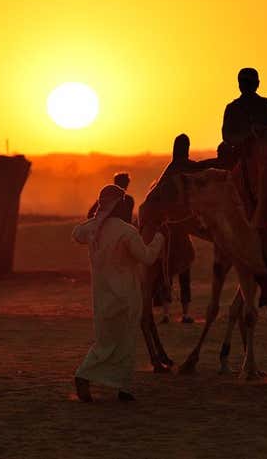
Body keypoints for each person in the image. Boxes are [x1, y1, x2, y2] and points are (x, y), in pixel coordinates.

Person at [72, 184, 165, 402]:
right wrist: (160, 237)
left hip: (101, 296)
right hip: (126, 296)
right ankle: (86, 375)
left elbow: (76, 233)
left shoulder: (93, 229)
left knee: (105, 341)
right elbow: (148, 257)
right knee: (124, 344)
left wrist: (95, 220)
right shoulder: (127, 232)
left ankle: (120, 387)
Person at [157, 134, 200, 324]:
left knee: (167, 272)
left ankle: (167, 313)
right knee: (182, 273)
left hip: (169, 229)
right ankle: (184, 313)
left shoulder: (170, 169)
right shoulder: (184, 167)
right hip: (179, 227)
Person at [221, 67, 267, 153]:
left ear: (257, 84)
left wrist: (262, 133)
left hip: (266, 153)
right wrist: (245, 139)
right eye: (243, 82)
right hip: (240, 154)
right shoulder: (232, 108)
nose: (246, 86)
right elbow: (227, 136)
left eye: (248, 83)